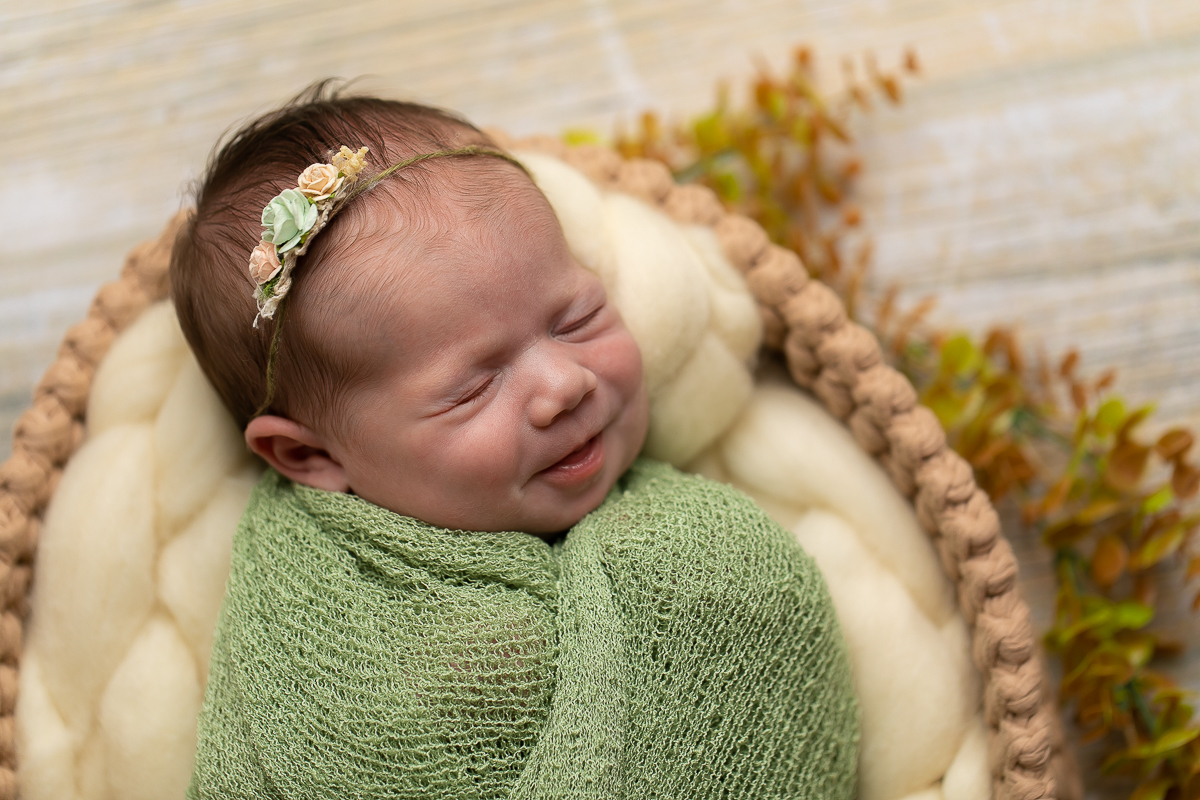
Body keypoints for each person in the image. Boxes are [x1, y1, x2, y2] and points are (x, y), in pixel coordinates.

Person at [172, 84, 859, 799]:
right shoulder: (315, 626)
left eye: (578, 318)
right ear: (309, 457)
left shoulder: (696, 550)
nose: (563, 383)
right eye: (474, 387)